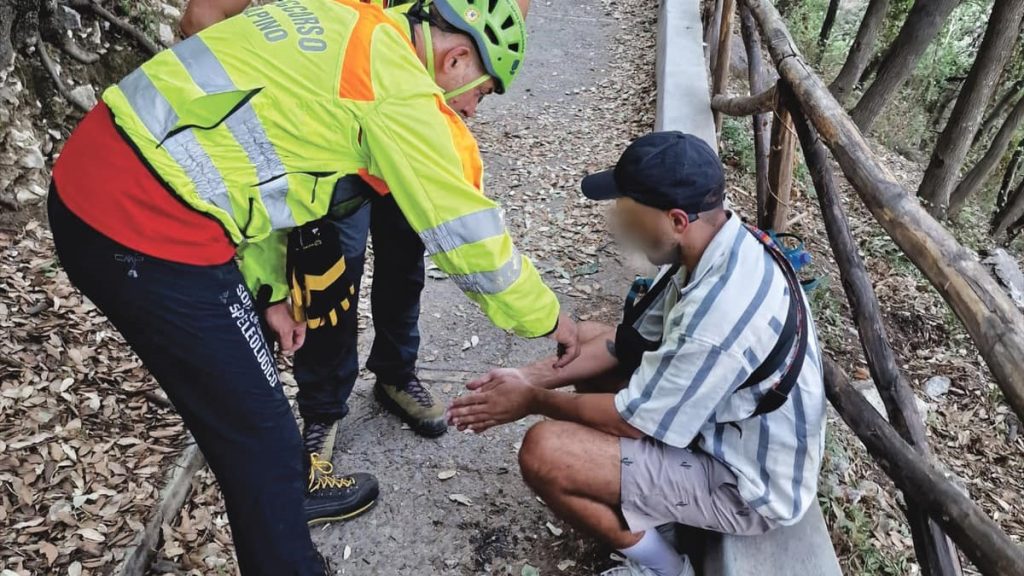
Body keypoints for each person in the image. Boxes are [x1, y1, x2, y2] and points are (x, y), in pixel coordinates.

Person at [48, 0, 579, 573]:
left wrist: (274, 289)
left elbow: (253, 164)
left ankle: (279, 507)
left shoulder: (344, 21)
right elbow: (469, 238)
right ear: (455, 58)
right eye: (484, 92)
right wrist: (553, 321)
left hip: (104, 175)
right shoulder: (398, 91)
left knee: (254, 427)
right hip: (142, 227)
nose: (473, 111)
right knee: (263, 438)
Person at [447, 132, 827, 576]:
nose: (619, 223)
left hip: (748, 486)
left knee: (543, 451)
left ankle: (666, 568)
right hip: (719, 426)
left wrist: (529, 402)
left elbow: (630, 418)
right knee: (589, 340)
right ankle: (653, 513)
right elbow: (625, 345)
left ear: (678, 220)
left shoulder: (718, 313)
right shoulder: (716, 246)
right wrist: (525, 377)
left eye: (630, 211)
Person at [179, 0, 534, 454]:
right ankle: (323, 409)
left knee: (407, 260)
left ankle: (396, 374)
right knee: (327, 276)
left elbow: (507, 15)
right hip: (334, 136)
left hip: (412, 123)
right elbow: (200, 18)